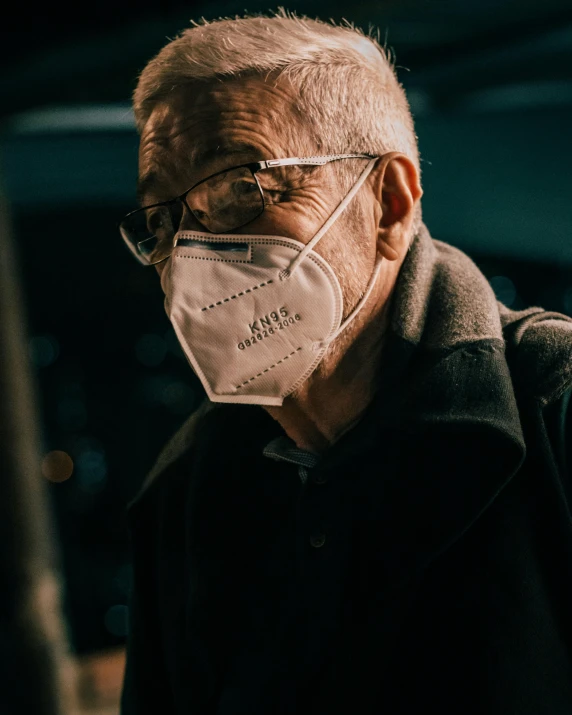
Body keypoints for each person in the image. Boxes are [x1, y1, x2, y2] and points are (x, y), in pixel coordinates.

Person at [118, 11, 572, 715]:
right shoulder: (186, 493)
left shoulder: (553, 412)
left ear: (389, 205)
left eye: (243, 188)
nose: (191, 255)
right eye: (161, 220)